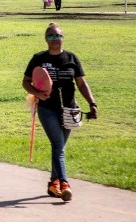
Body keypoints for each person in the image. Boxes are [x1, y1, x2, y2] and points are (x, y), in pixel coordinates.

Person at [22, 22, 98, 202]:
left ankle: (52, 183)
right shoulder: (38, 58)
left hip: (70, 109)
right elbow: (26, 82)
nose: (54, 39)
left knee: (59, 148)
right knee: (58, 145)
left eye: (57, 36)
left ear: (63, 38)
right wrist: (37, 94)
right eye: (50, 36)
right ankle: (64, 183)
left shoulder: (71, 58)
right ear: (45, 39)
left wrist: (92, 103)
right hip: (48, 109)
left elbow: (81, 83)